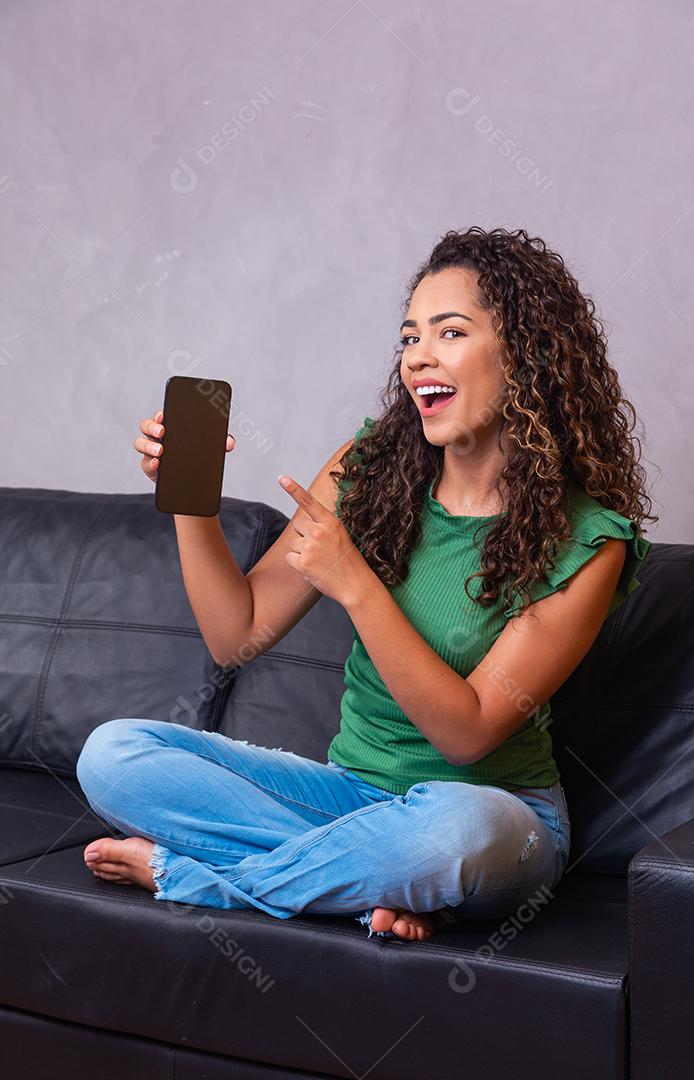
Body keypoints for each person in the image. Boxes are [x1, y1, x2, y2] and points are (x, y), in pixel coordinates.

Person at [76, 225, 655, 943]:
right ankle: (366, 883)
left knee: (456, 834)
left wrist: (357, 583)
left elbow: (468, 735)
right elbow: (237, 635)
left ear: (526, 356)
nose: (419, 357)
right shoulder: (370, 468)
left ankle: (198, 879)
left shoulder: (587, 540)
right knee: (114, 756)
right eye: (410, 337)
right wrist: (191, 502)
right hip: (347, 802)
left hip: (495, 816)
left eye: (449, 332)